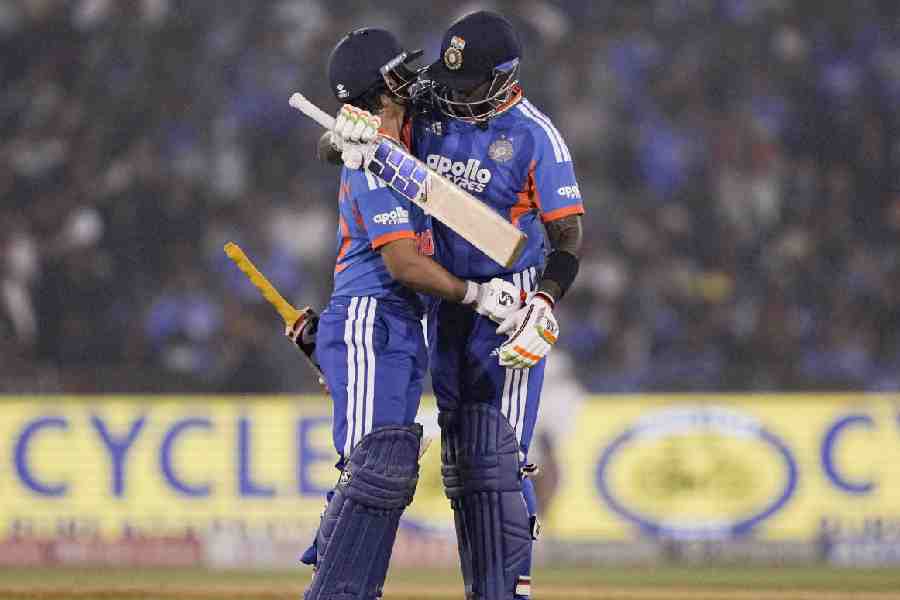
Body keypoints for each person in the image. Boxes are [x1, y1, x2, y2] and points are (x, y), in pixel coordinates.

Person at [293, 28, 523, 600]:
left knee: (383, 470)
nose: (413, 79)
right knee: (375, 470)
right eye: (400, 72)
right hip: (373, 318)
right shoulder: (369, 159)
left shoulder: (399, 147)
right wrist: (475, 295)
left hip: (395, 327)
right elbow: (402, 264)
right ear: (379, 87)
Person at [417, 12, 585, 599]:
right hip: (445, 302)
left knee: (499, 461)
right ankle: (480, 587)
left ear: (505, 78)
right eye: (451, 82)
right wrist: (344, 138)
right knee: (461, 464)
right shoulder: (427, 107)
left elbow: (568, 237)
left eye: (470, 86)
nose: (455, 95)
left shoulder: (537, 135)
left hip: (505, 308)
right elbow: (363, 140)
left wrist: (544, 300)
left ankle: (509, 589)